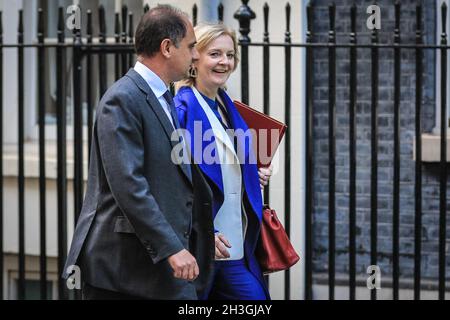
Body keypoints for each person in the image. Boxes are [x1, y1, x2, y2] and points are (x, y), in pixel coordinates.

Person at [62, 5, 215, 300]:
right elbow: (130, 186)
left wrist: (199, 232)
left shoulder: (164, 96)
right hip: (123, 273)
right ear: (167, 47)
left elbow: (172, 180)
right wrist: (171, 247)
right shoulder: (122, 99)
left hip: (158, 272)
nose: (197, 55)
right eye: (192, 46)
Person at [174, 23, 273, 300]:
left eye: (230, 55)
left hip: (235, 246)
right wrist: (203, 232)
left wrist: (252, 173)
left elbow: (226, 162)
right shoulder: (182, 109)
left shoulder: (225, 105)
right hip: (202, 247)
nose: (225, 62)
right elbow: (175, 182)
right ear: (195, 58)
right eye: (215, 54)